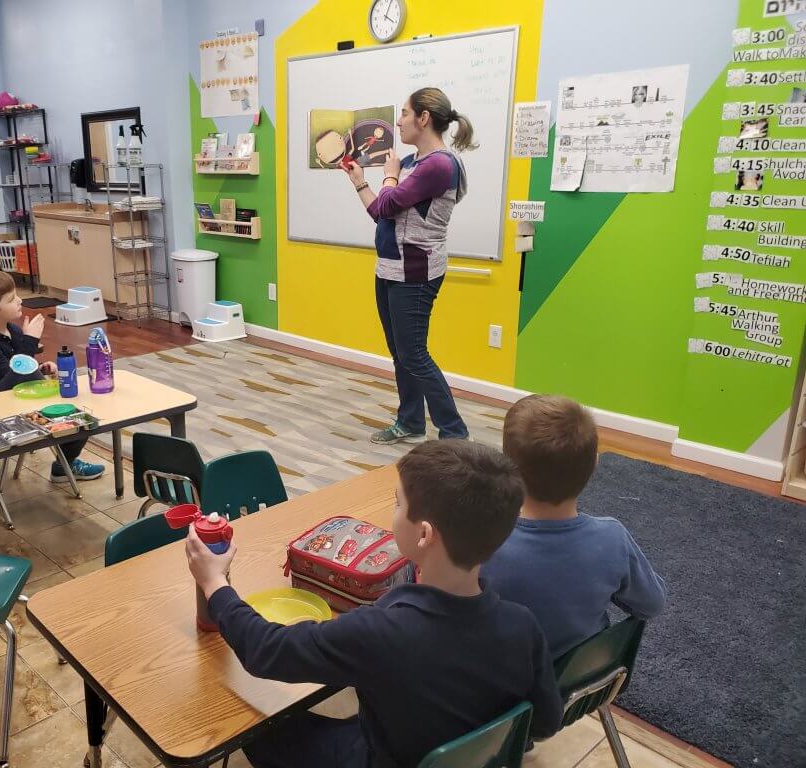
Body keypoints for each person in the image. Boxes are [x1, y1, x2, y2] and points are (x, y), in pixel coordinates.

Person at [186, 440, 563, 768]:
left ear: (424, 534)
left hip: (379, 758)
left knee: (255, 731)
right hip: (432, 748)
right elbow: (545, 722)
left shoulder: (381, 632)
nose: (392, 511)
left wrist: (214, 582)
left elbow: (265, 651)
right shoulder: (523, 624)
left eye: (397, 504)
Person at [483, 395, 667, 660]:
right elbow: (652, 604)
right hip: (581, 680)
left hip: (506, 688)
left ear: (508, 469)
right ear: (594, 464)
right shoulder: (612, 539)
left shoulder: (484, 542)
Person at [0, 271, 105, 546]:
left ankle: (64, 465)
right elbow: (8, 380)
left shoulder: (11, 330)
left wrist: (42, 367)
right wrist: (27, 344)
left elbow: (25, 373)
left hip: (19, 407)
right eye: (11, 299)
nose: (19, 301)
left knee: (76, 415)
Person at [345, 87, 475, 445]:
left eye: (404, 113)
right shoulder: (411, 164)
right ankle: (411, 421)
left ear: (423, 118)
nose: (398, 121)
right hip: (389, 267)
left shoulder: (439, 164)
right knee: (400, 352)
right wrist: (360, 183)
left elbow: (387, 203)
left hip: (415, 272)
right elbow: (380, 213)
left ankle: (454, 434)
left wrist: (388, 176)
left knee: (414, 353)